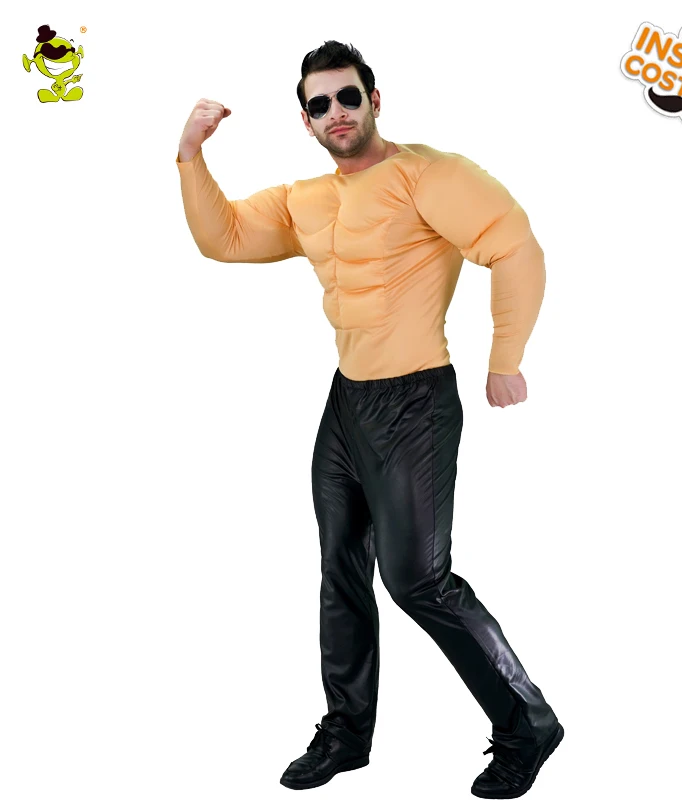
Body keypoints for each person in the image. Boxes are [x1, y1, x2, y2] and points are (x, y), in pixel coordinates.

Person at [175, 39, 564, 799]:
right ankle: (347, 734)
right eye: (319, 104)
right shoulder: (307, 200)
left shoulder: (430, 175)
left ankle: (528, 724)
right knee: (341, 571)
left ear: (374, 100)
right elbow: (223, 239)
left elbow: (515, 246)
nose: (336, 112)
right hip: (347, 403)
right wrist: (191, 154)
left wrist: (506, 356)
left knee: (418, 579)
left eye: (348, 96)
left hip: (416, 400)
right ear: (306, 120)